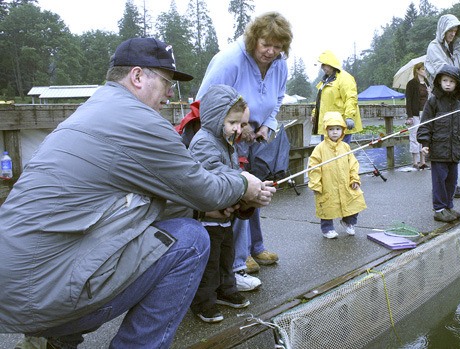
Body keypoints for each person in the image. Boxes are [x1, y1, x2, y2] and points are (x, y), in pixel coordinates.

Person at [0, 37, 274, 348]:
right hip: (43, 296)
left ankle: (56, 340)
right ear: (138, 76)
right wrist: (244, 184)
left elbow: (131, 205)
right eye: (167, 82)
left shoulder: (91, 111)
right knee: (191, 240)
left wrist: (201, 210)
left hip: (14, 284)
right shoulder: (140, 121)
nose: (171, 94)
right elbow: (206, 190)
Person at [196, 12, 293, 289]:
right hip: (228, 137)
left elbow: (276, 98)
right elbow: (207, 101)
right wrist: (240, 126)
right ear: (253, 39)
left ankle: (255, 247)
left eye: (278, 47)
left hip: (257, 137)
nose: (271, 51)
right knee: (236, 193)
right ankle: (237, 262)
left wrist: (267, 126)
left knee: (257, 190)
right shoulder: (229, 60)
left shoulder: (279, 64)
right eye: (266, 44)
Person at [188, 85, 258, 323]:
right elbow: (213, 174)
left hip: (224, 218)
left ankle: (225, 290)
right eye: (233, 123)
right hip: (207, 219)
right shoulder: (203, 142)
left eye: (240, 124)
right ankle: (202, 302)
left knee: (226, 257)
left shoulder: (224, 140)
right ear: (216, 117)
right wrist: (242, 184)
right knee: (209, 263)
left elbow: (231, 171)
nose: (238, 129)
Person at [425, 13, 460, 198]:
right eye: (450, 30)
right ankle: (441, 193)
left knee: (455, 137)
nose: (452, 34)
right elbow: (442, 71)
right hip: (441, 99)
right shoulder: (434, 47)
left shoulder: (458, 49)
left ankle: (453, 186)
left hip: (456, 97)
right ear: (442, 30)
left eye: (455, 30)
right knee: (442, 141)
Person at [417, 64, 460, 223]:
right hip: (439, 150)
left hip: (454, 151)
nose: (448, 84)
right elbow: (425, 124)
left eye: (451, 81)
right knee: (439, 181)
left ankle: (448, 206)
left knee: (452, 180)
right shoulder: (433, 102)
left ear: (457, 84)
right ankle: (439, 209)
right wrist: (425, 143)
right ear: (439, 82)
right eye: (445, 80)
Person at [308, 111, 367, 239]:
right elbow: (314, 167)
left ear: (342, 130)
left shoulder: (345, 147)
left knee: (355, 201)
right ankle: (327, 229)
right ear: (326, 130)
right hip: (327, 185)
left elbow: (353, 164)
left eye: (338, 129)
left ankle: (349, 221)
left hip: (346, 183)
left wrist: (354, 179)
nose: (335, 132)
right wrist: (316, 184)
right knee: (327, 207)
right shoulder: (320, 148)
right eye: (331, 129)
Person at [312, 50, 363, 143]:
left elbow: (351, 98)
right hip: (327, 125)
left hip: (340, 125)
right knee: (327, 154)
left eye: (324, 64)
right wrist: (314, 114)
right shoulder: (325, 80)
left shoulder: (345, 78)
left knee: (340, 154)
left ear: (331, 64)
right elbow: (321, 100)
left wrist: (349, 117)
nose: (322, 67)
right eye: (322, 65)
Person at [405, 61, 431, 169]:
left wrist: (430, 92)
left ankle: (423, 161)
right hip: (415, 113)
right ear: (417, 70)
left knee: (424, 135)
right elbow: (409, 101)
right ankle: (415, 162)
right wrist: (410, 116)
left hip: (425, 113)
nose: (425, 71)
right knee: (414, 136)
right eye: (423, 69)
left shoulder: (427, 83)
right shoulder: (411, 84)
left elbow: (431, 100)